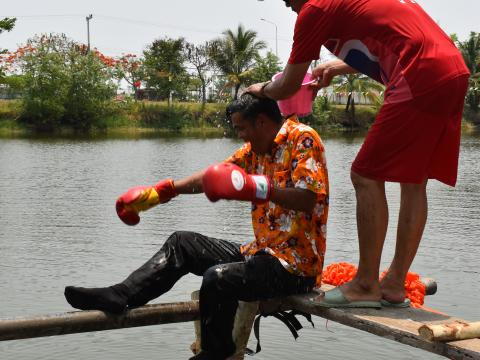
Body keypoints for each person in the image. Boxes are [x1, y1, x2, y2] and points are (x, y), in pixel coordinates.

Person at [64, 94, 329, 360]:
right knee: (182, 243)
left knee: (219, 277)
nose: (239, 136)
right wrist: (163, 192)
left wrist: (259, 188)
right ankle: (120, 294)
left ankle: (215, 351)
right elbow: (215, 176)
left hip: (295, 267)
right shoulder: (254, 149)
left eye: (241, 128)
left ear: (261, 121)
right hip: (260, 252)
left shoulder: (303, 139)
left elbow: (309, 198)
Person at [247, 0, 470, 308]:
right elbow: (393, 38)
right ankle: (393, 284)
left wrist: (260, 89)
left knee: (365, 174)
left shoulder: (315, 9)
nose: (285, 4)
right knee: (415, 180)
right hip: (452, 69)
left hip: (418, 71)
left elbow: (287, 86)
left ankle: (366, 285)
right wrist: (337, 66)